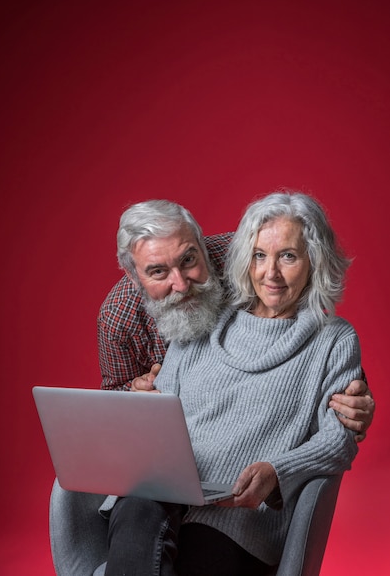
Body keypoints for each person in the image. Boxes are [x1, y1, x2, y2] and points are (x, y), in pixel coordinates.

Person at [103, 192, 365, 575]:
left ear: (315, 259)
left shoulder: (334, 340)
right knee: (138, 507)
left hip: (238, 518)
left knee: (200, 550)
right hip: (163, 497)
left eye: (288, 256)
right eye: (259, 256)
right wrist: (137, 407)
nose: (270, 273)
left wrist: (279, 471)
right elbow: (159, 413)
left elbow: (339, 438)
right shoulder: (204, 317)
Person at [98, 199, 374, 440]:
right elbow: (112, 400)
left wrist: (354, 399)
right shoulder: (118, 317)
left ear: (202, 246)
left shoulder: (250, 260)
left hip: (261, 429)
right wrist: (133, 398)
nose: (181, 284)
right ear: (133, 276)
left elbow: (311, 325)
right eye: (158, 272)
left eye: (189, 260)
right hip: (173, 442)